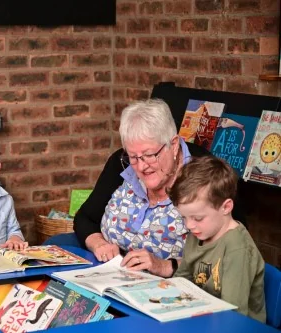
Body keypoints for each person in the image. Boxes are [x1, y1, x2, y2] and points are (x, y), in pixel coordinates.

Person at [73, 99, 245, 277]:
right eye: (133, 157)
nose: (141, 166)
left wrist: (166, 266)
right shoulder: (121, 163)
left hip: (174, 288)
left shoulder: (206, 173)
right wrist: (99, 244)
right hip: (113, 274)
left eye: (149, 155)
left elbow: (229, 250)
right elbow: (85, 218)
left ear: (174, 144)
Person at [168, 155, 266, 322]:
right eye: (184, 217)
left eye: (197, 218)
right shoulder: (198, 233)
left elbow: (234, 313)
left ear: (226, 207)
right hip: (200, 317)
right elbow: (182, 278)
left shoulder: (237, 249)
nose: (189, 225)